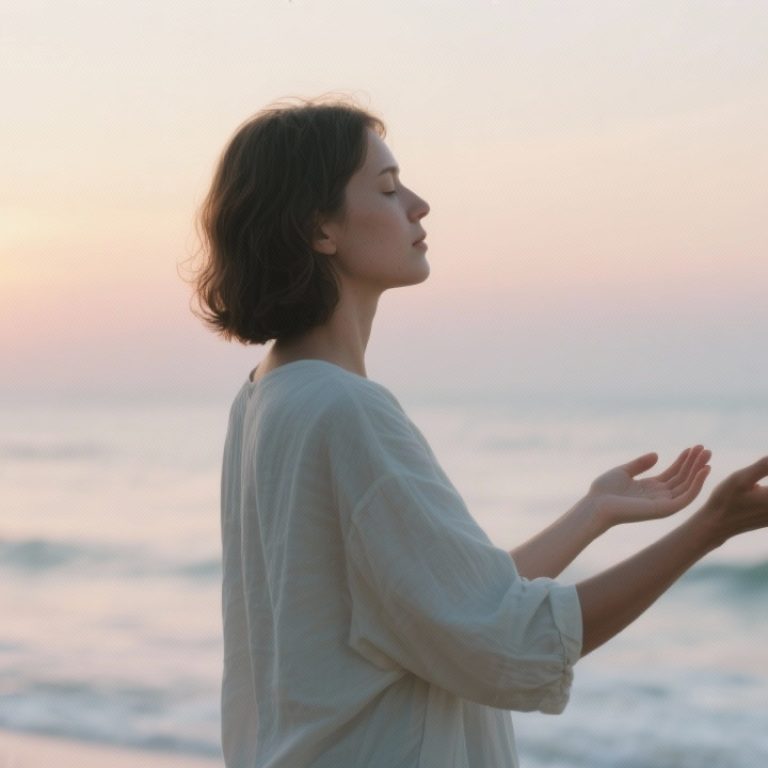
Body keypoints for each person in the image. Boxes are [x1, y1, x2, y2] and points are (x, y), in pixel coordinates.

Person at [192, 98, 768, 768]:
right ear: (320, 229)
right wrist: (710, 527)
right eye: (386, 188)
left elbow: (447, 606)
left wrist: (593, 513)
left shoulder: (268, 394)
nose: (419, 204)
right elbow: (508, 644)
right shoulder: (345, 411)